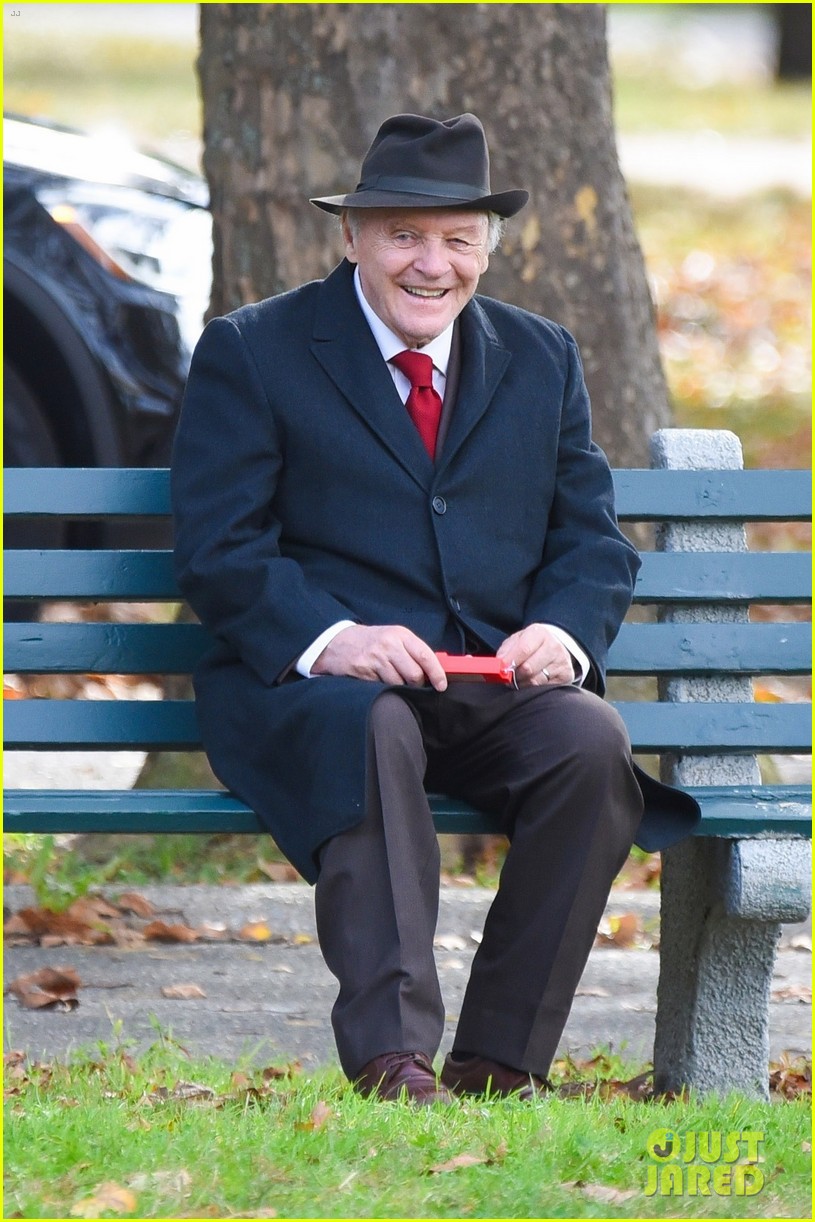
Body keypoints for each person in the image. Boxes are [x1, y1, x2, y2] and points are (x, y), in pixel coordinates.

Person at [172, 112, 699, 1105]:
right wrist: (334, 639)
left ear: (485, 248)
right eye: (404, 235)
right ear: (351, 238)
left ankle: (501, 1061)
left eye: (457, 238)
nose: (432, 264)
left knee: (590, 743)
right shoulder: (254, 350)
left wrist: (564, 632)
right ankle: (392, 1058)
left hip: (486, 685)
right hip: (317, 694)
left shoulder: (539, 356)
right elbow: (219, 549)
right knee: (371, 728)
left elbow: (588, 538)